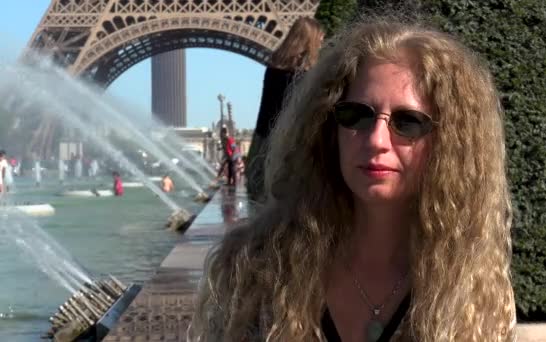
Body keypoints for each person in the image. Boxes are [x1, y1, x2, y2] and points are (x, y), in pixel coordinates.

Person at [189, 18, 516, 342]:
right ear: (328, 130)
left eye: (408, 122)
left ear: (449, 143)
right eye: (356, 115)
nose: (377, 139)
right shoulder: (253, 271)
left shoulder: (474, 291)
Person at [245, 17, 325, 202]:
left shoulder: (273, 68)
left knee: (262, 198)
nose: (321, 45)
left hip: (263, 140)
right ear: (309, 41)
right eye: (319, 40)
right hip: (290, 145)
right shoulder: (305, 76)